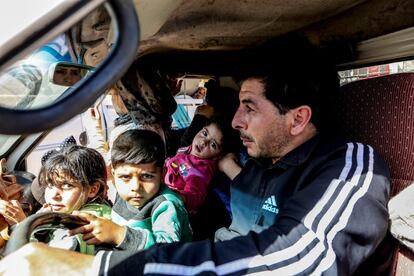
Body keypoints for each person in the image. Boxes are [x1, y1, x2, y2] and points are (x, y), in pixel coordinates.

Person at [0, 35, 391, 275]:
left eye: (249, 108)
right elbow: (215, 241)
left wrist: (102, 268)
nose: (236, 121)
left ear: (298, 118)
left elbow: (294, 263)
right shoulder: (257, 163)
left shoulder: (350, 168)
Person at [69, 129, 192, 251]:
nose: (135, 187)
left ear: (162, 175)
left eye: (147, 176)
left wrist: (118, 234)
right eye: (125, 177)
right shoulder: (122, 194)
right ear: (114, 175)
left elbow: (167, 250)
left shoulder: (167, 205)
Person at [32, 145, 112, 255]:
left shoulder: (76, 226)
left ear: (92, 189)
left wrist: (32, 227)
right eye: (50, 185)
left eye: (67, 185)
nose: (54, 195)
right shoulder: (102, 210)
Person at [164, 116, 239, 215]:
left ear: (218, 156)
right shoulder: (189, 150)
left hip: (171, 207)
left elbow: (195, 196)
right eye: (204, 133)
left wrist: (179, 197)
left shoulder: (200, 170)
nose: (203, 142)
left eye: (213, 145)